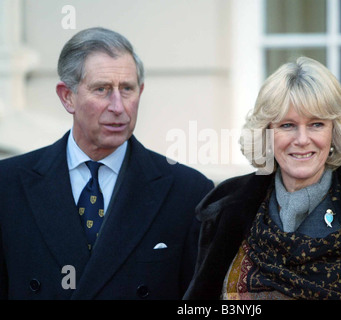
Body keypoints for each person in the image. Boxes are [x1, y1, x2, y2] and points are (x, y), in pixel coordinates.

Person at [184, 57, 341, 300]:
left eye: (317, 124)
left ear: (335, 131)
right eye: (287, 125)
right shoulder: (227, 206)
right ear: (267, 133)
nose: (302, 139)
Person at [0, 27, 214, 299]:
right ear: (67, 97)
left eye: (127, 89)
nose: (118, 106)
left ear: (141, 91)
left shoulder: (188, 191)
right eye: (101, 89)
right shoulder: (8, 185)